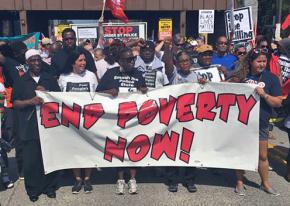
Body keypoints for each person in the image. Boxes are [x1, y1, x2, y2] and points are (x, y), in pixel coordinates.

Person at [97, 47, 147, 195]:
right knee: (118, 148)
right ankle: (120, 179)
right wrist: (109, 92)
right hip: (115, 119)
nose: (132, 62)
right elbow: (97, 93)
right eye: (128, 59)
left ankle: (132, 179)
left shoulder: (138, 74)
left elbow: (144, 93)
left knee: (133, 148)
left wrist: (144, 90)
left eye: (133, 59)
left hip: (133, 119)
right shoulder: (111, 73)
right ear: (120, 61)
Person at [11, 49, 60, 202]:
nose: (36, 63)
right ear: (27, 63)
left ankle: (50, 187)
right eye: (32, 60)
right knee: (31, 160)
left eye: (38, 59)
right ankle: (33, 189)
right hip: (29, 126)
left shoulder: (49, 78)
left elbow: (60, 99)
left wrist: (48, 93)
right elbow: (15, 103)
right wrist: (30, 101)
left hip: (48, 125)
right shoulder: (21, 80)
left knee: (48, 158)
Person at [234, 49, 282, 196]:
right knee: (241, 153)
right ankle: (239, 182)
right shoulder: (241, 76)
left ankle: (265, 183)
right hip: (242, 122)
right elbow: (225, 89)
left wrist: (264, 94)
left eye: (264, 61)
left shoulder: (272, 78)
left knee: (262, 156)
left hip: (261, 123)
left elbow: (278, 102)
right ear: (251, 62)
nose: (262, 64)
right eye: (258, 61)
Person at [58, 50, 98, 194]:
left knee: (88, 149)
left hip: (89, 119)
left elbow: (97, 96)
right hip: (71, 120)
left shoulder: (91, 75)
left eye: (84, 60)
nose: (83, 63)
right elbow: (58, 98)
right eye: (80, 61)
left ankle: (87, 178)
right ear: (72, 62)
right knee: (74, 150)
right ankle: (77, 179)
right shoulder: (64, 77)